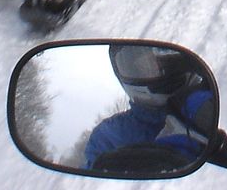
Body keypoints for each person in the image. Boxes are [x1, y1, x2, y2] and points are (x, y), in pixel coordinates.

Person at [83, 45, 217, 174]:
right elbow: (89, 180)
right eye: (144, 64)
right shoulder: (109, 134)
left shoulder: (202, 100)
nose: (158, 69)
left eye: (163, 60)